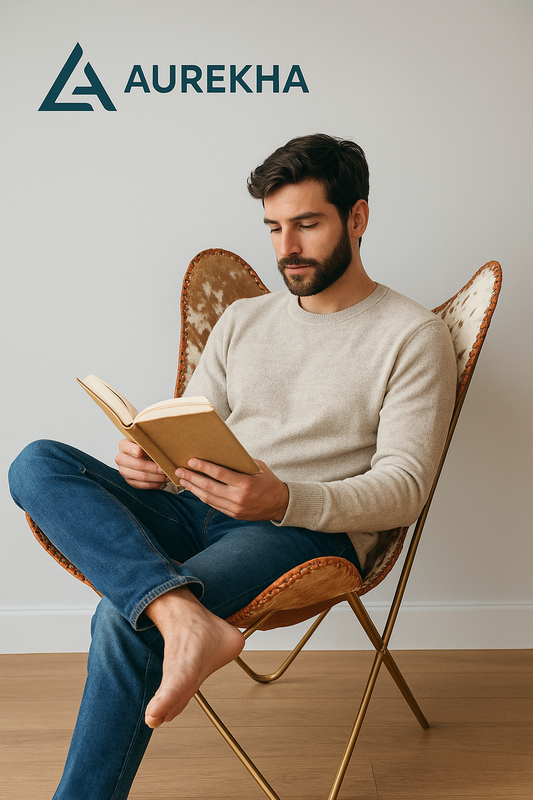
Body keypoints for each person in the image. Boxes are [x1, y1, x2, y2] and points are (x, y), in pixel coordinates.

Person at [8, 133, 457, 800]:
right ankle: (183, 617)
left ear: (357, 217)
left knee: (122, 618)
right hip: (197, 507)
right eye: (273, 227)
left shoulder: (411, 336)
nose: (286, 247)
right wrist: (150, 459)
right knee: (36, 463)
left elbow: (405, 489)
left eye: (307, 224)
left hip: (298, 533)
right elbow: (192, 427)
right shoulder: (243, 319)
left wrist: (283, 499)